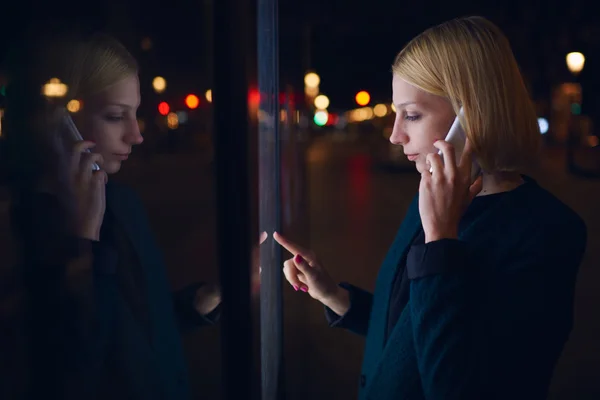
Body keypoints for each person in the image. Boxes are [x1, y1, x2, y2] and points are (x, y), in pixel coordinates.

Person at [274, 16, 587, 400]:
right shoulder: (432, 197)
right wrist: (333, 296)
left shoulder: (547, 232)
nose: (394, 134)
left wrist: (441, 240)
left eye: (412, 114)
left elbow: (457, 384)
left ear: (472, 115)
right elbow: (412, 327)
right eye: (396, 113)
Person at [1, 32, 235, 399]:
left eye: (135, 114)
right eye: (114, 116)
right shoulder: (21, 229)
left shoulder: (122, 204)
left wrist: (207, 297)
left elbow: (137, 330)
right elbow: (70, 368)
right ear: (59, 123)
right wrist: (83, 243)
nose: (136, 136)